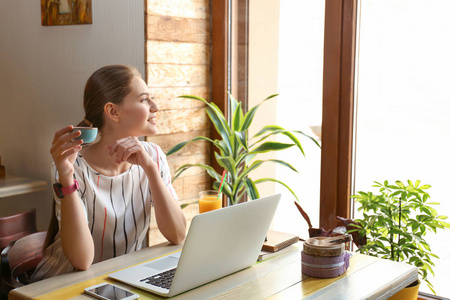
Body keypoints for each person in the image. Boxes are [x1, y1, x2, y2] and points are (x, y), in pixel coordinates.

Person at [31, 65, 187, 281]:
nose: (155, 107)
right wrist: (66, 177)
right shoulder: (72, 167)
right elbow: (82, 261)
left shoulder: (154, 156)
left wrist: (150, 168)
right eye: (144, 99)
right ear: (113, 111)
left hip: (121, 280)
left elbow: (178, 235)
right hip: (63, 286)